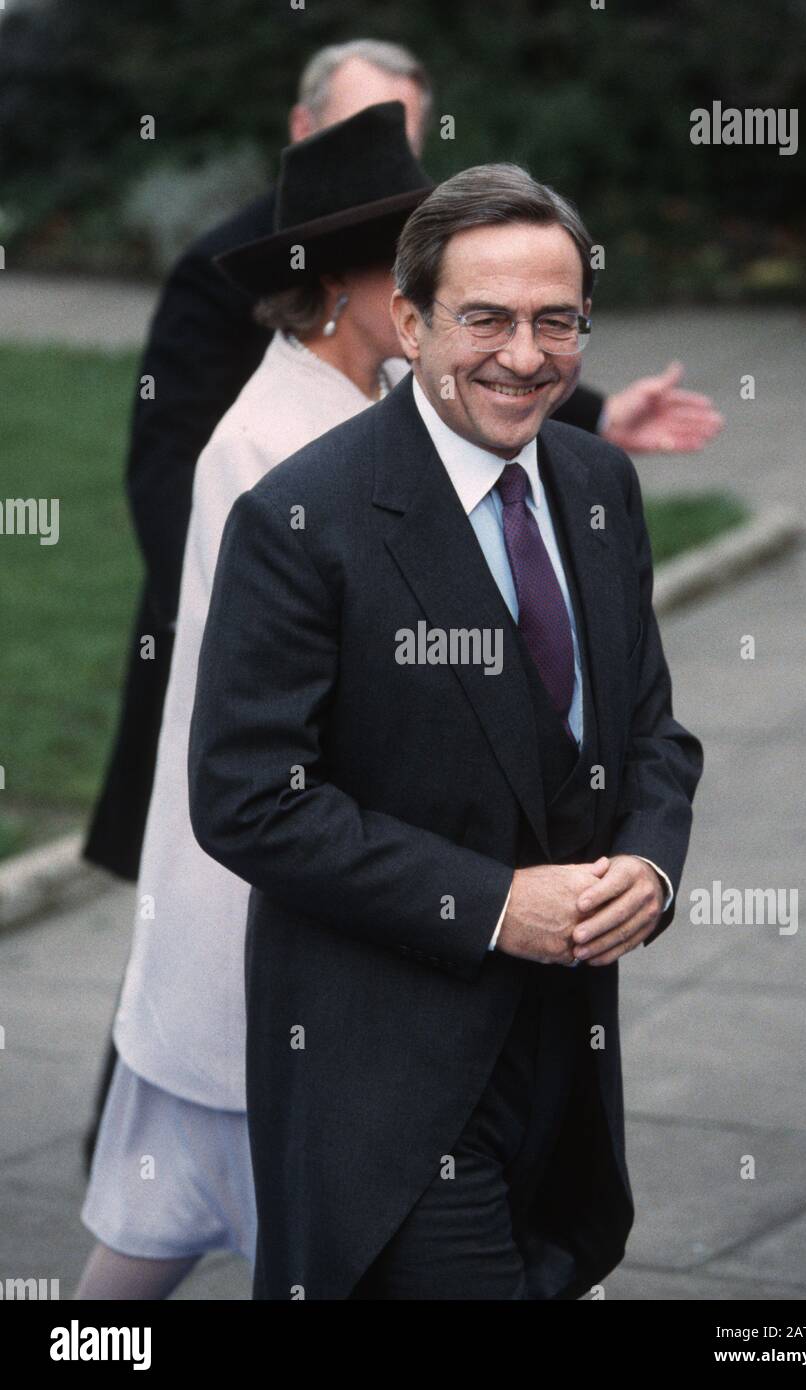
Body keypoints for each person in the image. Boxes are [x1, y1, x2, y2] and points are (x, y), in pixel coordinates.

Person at [187, 162, 704, 1300]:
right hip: (386, 1076)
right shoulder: (298, 518)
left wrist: (654, 866)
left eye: (554, 320)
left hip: (564, 1058)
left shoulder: (598, 480)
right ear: (411, 322)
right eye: (486, 318)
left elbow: (653, 730)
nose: (525, 356)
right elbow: (247, 798)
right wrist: (491, 905)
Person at [74, 104, 432, 1301]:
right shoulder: (270, 442)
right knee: (184, 1219)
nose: (432, 284)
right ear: (336, 281)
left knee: (189, 1221)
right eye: (408, 259)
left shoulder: (355, 408)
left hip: (288, 900)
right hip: (262, 900)